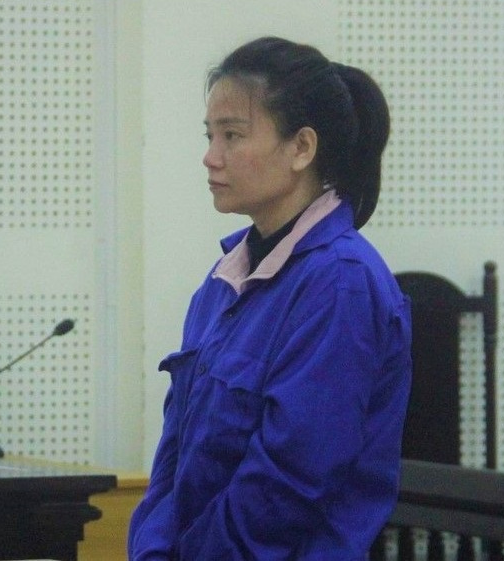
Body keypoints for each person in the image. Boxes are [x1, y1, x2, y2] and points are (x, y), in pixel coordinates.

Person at [128, 37, 412, 560]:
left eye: (233, 135)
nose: (210, 157)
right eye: (210, 135)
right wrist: (152, 549)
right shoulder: (224, 279)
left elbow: (286, 486)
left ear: (301, 148)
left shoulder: (340, 283)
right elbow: (175, 457)